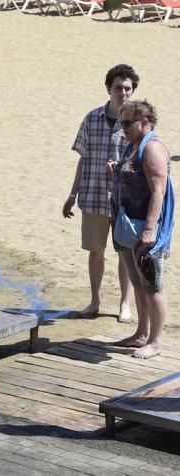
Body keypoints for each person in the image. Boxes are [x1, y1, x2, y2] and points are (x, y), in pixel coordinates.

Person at [62, 64, 140, 321]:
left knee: (125, 252)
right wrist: (72, 195)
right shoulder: (91, 118)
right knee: (96, 250)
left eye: (128, 88)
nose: (123, 93)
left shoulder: (135, 124)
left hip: (123, 199)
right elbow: (82, 159)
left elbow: (142, 162)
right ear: (109, 89)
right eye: (118, 88)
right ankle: (95, 301)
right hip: (93, 194)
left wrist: (121, 172)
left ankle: (124, 304)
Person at [110, 100, 174, 359]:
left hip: (143, 230)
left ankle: (155, 342)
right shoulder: (132, 144)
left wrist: (149, 230)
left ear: (144, 122)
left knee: (153, 285)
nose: (122, 127)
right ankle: (141, 333)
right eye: (121, 122)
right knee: (138, 284)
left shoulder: (152, 148)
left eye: (127, 123)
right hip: (127, 226)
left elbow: (158, 191)